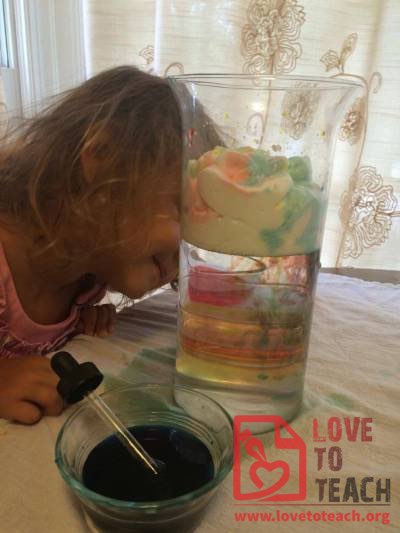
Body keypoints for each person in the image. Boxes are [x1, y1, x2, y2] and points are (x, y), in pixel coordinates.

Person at [0, 66, 189, 425]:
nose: (187, 252)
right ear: (103, 158)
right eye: (183, 210)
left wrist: (76, 325)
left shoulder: (88, 277)